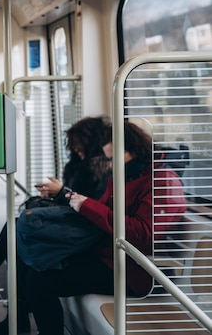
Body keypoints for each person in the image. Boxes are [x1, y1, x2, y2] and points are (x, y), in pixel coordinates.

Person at [22, 121, 186, 335]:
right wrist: (72, 200)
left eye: (111, 159)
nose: (109, 166)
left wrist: (85, 204)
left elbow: (143, 235)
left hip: (135, 271)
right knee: (36, 264)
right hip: (110, 256)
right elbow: (104, 212)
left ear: (131, 151)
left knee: (40, 282)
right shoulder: (126, 177)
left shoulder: (162, 182)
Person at [0, 115, 113, 335]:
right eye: (75, 148)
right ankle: (14, 316)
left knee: (20, 236)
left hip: (88, 234)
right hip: (77, 225)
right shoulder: (79, 166)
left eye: (80, 147)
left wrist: (62, 194)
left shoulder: (104, 171)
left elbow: (91, 207)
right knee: (18, 236)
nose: (78, 152)